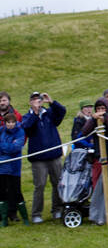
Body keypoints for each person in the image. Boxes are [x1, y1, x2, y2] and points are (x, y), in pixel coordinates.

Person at [20, 92, 66, 222]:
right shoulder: (27, 117)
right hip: (38, 159)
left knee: (57, 183)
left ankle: (57, 209)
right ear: (30, 102)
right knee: (39, 185)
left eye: (38, 99)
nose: (37, 101)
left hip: (54, 155)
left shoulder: (49, 113)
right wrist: (35, 113)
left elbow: (62, 112)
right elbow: (26, 127)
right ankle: (36, 214)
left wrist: (52, 102)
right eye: (34, 99)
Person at [0, 113, 28, 225]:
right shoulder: (1, 131)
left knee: (17, 192)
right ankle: (4, 219)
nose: (11, 124)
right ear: (5, 123)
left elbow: (16, 148)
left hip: (14, 167)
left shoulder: (20, 132)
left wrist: (2, 146)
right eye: (8, 122)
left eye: (13, 122)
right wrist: (8, 146)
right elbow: (10, 147)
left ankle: (25, 218)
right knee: (2, 192)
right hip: (2, 167)